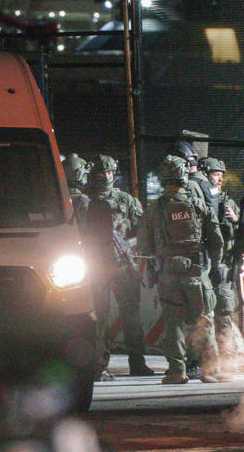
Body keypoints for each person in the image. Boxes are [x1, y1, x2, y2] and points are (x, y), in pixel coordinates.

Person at [137, 155, 230, 384]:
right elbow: (217, 240)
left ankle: (177, 371)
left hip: (168, 273)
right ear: (183, 175)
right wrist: (211, 266)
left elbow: (143, 245)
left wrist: (153, 268)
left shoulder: (154, 209)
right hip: (197, 272)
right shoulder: (198, 205)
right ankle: (210, 370)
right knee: (203, 320)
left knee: (172, 323)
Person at [75, 155, 154, 379]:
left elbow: (141, 229)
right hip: (95, 267)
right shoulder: (83, 202)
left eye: (109, 173)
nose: (106, 177)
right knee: (97, 317)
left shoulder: (125, 200)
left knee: (132, 316)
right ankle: (98, 364)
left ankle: (137, 363)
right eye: (101, 173)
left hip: (122, 266)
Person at [203, 157, 243, 372]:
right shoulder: (201, 201)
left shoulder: (228, 202)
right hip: (205, 265)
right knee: (202, 316)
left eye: (220, 174)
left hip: (224, 266)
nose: (218, 179)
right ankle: (204, 361)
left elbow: (243, 231)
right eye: (214, 174)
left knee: (225, 313)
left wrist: (235, 220)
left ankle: (228, 360)